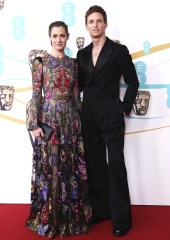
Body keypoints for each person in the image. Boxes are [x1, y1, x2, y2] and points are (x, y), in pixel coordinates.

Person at [76, 5, 139, 237]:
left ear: (105, 24)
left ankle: (122, 219)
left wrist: (122, 107)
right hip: (88, 114)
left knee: (115, 165)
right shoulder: (81, 55)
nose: (95, 24)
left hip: (111, 113)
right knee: (94, 164)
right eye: (91, 21)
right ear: (86, 25)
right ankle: (101, 211)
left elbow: (132, 81)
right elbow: (80, 85)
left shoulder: (118, 50)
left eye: (99, 20)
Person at [26, 21, 92, 239]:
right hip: (49, 120)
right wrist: (34, 124)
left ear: (68, 36)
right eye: (55, 36)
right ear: (49, 37)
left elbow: (76, 97)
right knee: (51, 168)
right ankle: (50, 218)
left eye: (62, 35)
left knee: (69, 167)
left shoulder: (73, 64)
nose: (59, 39)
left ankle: (69, 218)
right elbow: (36, 96)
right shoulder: (40, 62)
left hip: (70, 120)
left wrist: (82, 122)